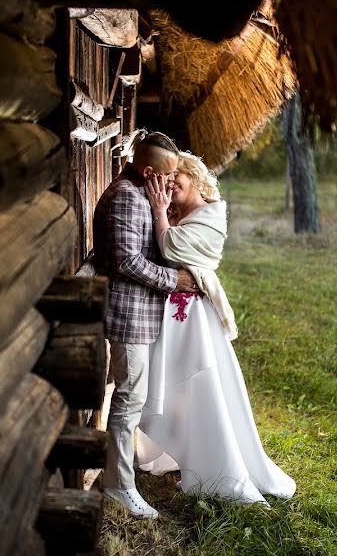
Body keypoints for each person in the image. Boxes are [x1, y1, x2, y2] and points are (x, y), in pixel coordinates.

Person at [136, 151, 296, 504]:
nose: (170, 182)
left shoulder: (212, 214)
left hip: (194, 317)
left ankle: (212, 461)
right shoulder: (181, 211)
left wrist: (161, 213)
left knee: (198, 381)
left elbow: (173, 247)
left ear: (194, 176)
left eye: (177, 176)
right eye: (167, 178)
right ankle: (176, 449)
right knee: (174, 384)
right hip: (178, 312)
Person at [92, 130, 198, 519]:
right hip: (127, 314)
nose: (172, 182)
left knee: (131, 397)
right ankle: (119, 486)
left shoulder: (142, 194)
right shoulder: (125, 196)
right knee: (128, 399)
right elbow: (126, 262)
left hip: (138, 313)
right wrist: (176, 281)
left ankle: (118, 473)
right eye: (168, 175)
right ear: (148, 169)